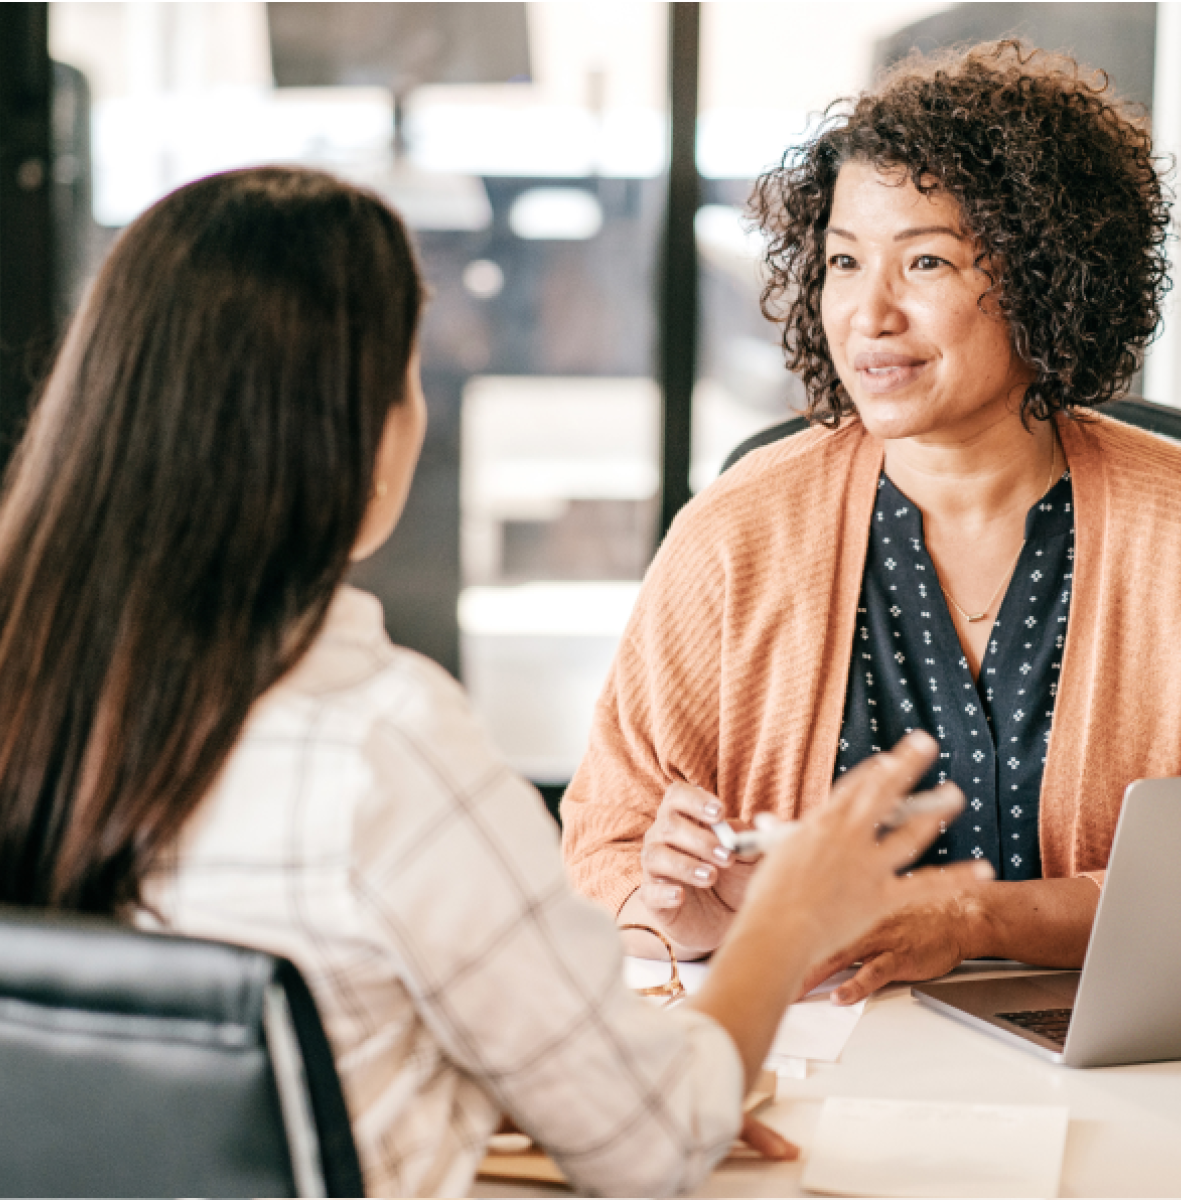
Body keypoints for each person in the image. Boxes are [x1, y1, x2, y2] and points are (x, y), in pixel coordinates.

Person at [0, 167, 985, 1198]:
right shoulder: (383, 744)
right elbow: (652, 1144)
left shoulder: (44, 698)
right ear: (357, 432)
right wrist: (787, 921)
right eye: (408, 374)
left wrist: (508, 1084)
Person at [562, 40, 1181, 1004]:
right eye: (844, 262)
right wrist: (688, 912)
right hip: (820, 1054)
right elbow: (606, 844)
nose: (868, 313)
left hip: (1120, 1075)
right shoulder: (739, 530)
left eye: (926, 261)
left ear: (1044, 274)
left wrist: (975, 919)